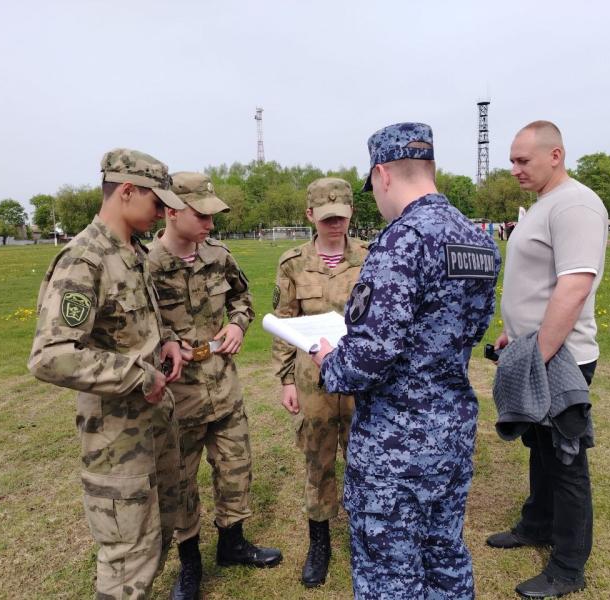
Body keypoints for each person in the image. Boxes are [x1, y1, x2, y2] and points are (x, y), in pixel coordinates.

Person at [312, 122, 500, 599]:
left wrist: (330, 362)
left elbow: (371, 353)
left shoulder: (403, 242)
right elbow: (472, 329)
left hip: (396, 443)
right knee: (445, 555)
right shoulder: (477, 240)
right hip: (452, 429)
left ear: (382, 174)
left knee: (388, 574)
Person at [28, 148, 187, 598]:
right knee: (126, 554)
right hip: (117, 437)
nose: (162, 213)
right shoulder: (86, 260)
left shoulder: (132, 254)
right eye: (157, 203)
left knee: (155, 537)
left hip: (152, 424)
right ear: (127, 192)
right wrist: (139, 374)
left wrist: (167, 343)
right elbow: (51, 355)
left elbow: (134, 327)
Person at [485, 121, 608, 598]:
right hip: (535, 349)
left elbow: (575, 284)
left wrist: (536, 354)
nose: (514, 169)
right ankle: (537, 523)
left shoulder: (575, 203)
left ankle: (568, 567)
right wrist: (513, 333)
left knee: (566, 459)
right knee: (540, 446)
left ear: (555, 155)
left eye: (523, 161)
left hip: (560, 358)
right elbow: (538, 283)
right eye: (512, 160)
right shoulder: (546, 204)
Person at [147, 172, 282, 599]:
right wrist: (164, 342)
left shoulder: (218, 256)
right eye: (200, 214)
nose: (210, 223)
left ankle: (233, 543)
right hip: (176, 394)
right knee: (180, 480)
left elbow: (243, 297)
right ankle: (190, 565)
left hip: (223, 385)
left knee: (235, 468)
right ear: (171, 211)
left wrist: (240, 325)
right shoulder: (147, 265)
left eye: (213, 214)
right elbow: (133, 329)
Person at [271, 177, 368, 587]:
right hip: (314, 382)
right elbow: (283, 322)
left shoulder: (370, 256)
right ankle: (320, 542)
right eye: (327, 218)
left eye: (342, 217)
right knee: (318, 460)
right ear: (310, 215)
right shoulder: (293, 262)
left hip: (361, 378)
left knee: (365, 462)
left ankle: (367, 538)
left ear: (351, 215)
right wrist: (286, 379)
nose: (335, 225)